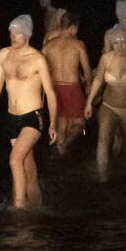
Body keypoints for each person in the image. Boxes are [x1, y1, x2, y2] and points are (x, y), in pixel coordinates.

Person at [0, 15, 57, 209]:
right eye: (11, 32)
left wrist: (53, 124)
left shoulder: (38, 59)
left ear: (26, 35)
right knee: (27, 166)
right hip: (12, 118)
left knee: (14, 159)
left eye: (17, 32)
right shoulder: (4, 55)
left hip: (33, 117)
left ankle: (19, 210)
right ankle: (37, 204)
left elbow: (50, 93)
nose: (13, 36)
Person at [84, 27, 126, 182]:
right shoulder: (106, 58)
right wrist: (88, 103)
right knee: (103, 140)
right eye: (116, 43)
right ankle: (102, 178)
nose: (120, 46)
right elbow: (99, 80)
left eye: (122, 42)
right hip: (109, 106)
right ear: (111, 44)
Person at [41, 12, 90, 156]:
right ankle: (64, 145)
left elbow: (41, 68)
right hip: (73, 88)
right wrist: (88, 86)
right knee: (80, 123)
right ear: (73, 27)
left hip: (55, 87)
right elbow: (87, 70)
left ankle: (59, 150)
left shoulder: (48, 45)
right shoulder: (78, 45)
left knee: (61, 123)